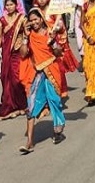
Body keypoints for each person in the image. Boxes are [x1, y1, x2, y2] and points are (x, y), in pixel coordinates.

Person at [19, 8, 67, 153]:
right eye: (31, 20)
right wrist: (26, 37)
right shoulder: (30, 35)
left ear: (41, 18)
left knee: (54, 100)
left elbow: (59, 53)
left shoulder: (50, 32)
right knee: (31, 104)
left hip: (52, 69)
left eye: (36, 19)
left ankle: (58, 127)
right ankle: (29, 142)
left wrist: (52, 43)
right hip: (38, 73)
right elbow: (23, 54)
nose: (34, 23)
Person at [0, 0, 28, 119]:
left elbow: (27, 34)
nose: (9, 7)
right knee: (6, 79)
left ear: (16, 5)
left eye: (11, 5)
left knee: (17, 79)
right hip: (6, 52)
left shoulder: (22, 19)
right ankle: (9, 107)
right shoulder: (2, 21)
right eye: (7, 5)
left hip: (17, 52)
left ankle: (21, 105)